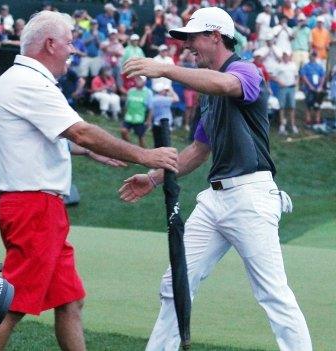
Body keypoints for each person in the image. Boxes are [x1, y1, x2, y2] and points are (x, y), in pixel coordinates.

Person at [0, 10, 178, 351]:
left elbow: (49, 137)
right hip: (34, 207)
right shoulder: (30, 82)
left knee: (71, 302)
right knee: (12, 307)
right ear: (50, 44)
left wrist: (89, 152)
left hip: (38, 206)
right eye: (70, 43)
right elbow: (81, 131)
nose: (74, 50)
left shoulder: (20, 79)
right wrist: (146, 155)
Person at [122, 7, 313, 351]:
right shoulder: (208, 91)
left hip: (251, 197)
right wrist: (153, 179)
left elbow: (228, 84)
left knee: (273, 294)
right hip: (215, 199)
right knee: (174, 284)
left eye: (192, 38)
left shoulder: (245, 70)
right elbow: (197, 151)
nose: (187, 46)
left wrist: (165, 68)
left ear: (215, 36)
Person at [273, 51, 299, 135]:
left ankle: (292, 125)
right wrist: (280, 82)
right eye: (284, 56)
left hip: (291, 88)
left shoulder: (293, 65)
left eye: (287, 56)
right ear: (283, 56)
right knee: (282, 107)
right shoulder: (279, 66)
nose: (286, 57)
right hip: (283, 88)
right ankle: (282, 125)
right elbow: (273, 76)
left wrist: (296, 81)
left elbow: (296, 75)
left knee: (292, 107)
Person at [121, 75, 151, 147]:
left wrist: (149, 120)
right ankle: (131, 147)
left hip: (140, 119)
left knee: (141, 139)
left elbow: (150, 108)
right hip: (129, 117)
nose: (138, 81)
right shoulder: (131, 91)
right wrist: (123, 117)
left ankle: (144, 153)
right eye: (137, 79)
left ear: (144, 82)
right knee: (123, 131)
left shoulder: (148, 92)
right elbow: (127, 105)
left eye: (140, 79)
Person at [148, 81, 179, 147]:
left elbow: (151, 112)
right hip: (165, 124)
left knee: (157, 145)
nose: (166, 91)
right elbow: (176, 99)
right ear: (160, 91)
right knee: (166, 144)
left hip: (156, 123)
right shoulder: (165, 99)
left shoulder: (153, 99)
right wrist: (171, 90)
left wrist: (149, 121)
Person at [300, 51, 325, 128]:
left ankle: (317, 120)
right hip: (308, 89)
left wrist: (320, 86)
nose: (313, 57)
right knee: (309, 104)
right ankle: (308, 120)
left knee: (317, 104)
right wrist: (310, 86)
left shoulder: (319, 66)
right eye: (312, 56)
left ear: (315, 57)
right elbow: (304, 77)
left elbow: (322, 76)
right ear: (309, 56)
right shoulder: (306, 66)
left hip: (317, 89)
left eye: (314, 56)